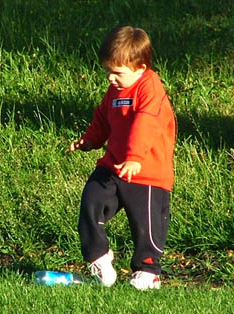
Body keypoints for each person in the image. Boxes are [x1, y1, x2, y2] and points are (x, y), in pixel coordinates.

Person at [67, 25, 176, 290]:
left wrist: (135, 158)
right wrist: (90, 139)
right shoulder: (116, 91)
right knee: (91, 200)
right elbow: (103, 117)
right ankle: (99, 257)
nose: (110, 79)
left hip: (146, 172)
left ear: (141, 68)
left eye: (116, 73)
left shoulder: (150, 91)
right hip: (114, 165)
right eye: (107, 71)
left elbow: (145, 124)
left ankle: (148, 271)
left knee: (146, 225)